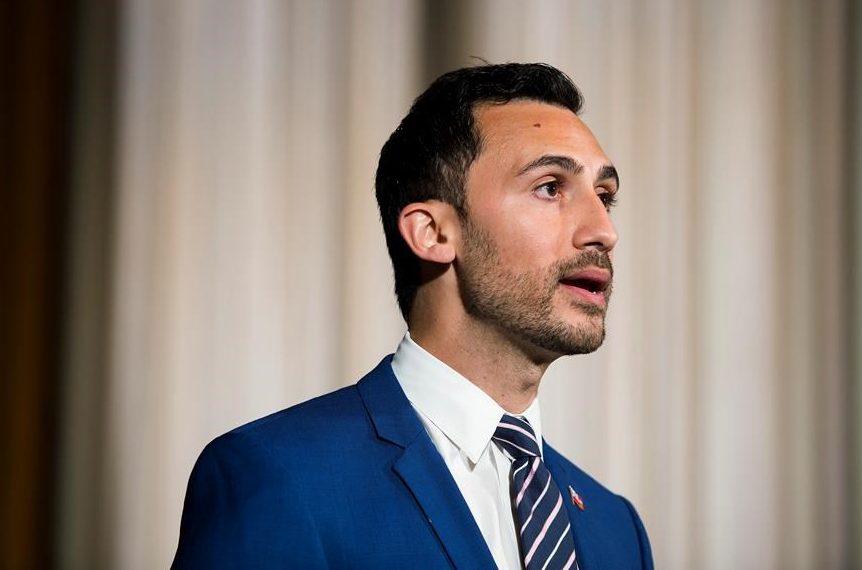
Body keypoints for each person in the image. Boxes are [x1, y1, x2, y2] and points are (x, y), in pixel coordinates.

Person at [172, 62, 653, 569]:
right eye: (550, 187)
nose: (604, 230)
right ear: (432, 233)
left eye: (605, 196)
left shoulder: (615, 528)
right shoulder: (280, 478)